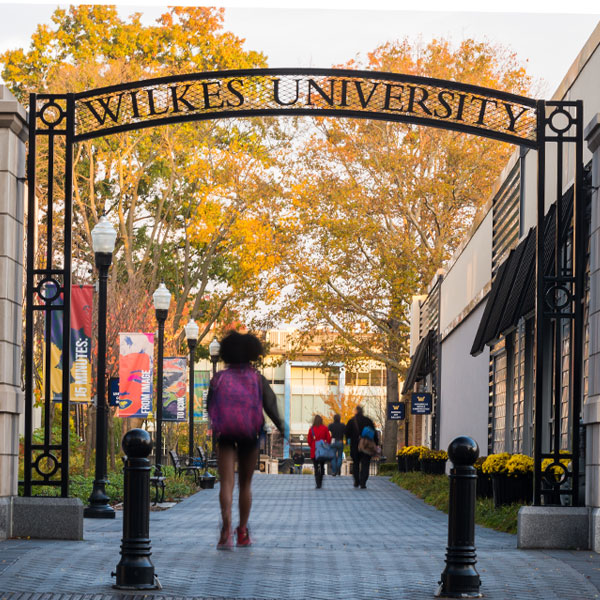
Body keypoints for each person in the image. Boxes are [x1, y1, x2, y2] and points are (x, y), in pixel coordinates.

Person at [207, 331, 284, 550]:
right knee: (245, 484)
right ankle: (242, 531)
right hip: (250, 434)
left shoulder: (219, 378)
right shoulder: (257, 378)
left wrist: (218, 425)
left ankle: (225, 529)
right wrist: (281, 427)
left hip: (226, 434)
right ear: (253, 352)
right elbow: (270, 405)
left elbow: (210, 408)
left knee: (227, 483)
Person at [345, 405, 379, 489]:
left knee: (356, 464)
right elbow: (374, 433)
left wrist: (348, 440)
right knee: (365, 464)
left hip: (355, 446)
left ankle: (356, 481)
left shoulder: (351, 421)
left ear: (356, 411)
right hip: (366, 446)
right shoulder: (368, 421)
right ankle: (363, 482)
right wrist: (376, 443)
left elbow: (347, 433)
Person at [307, 414, 331, 489]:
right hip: (322, 450)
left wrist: (313, 445)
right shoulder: (325, 428)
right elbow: (329, 439)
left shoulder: (311, 429)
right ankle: (321, 479)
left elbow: (309, 440)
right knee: (322, 465)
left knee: (316, 467)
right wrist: (326, 444)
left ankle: (317, 482)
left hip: (314, 450)